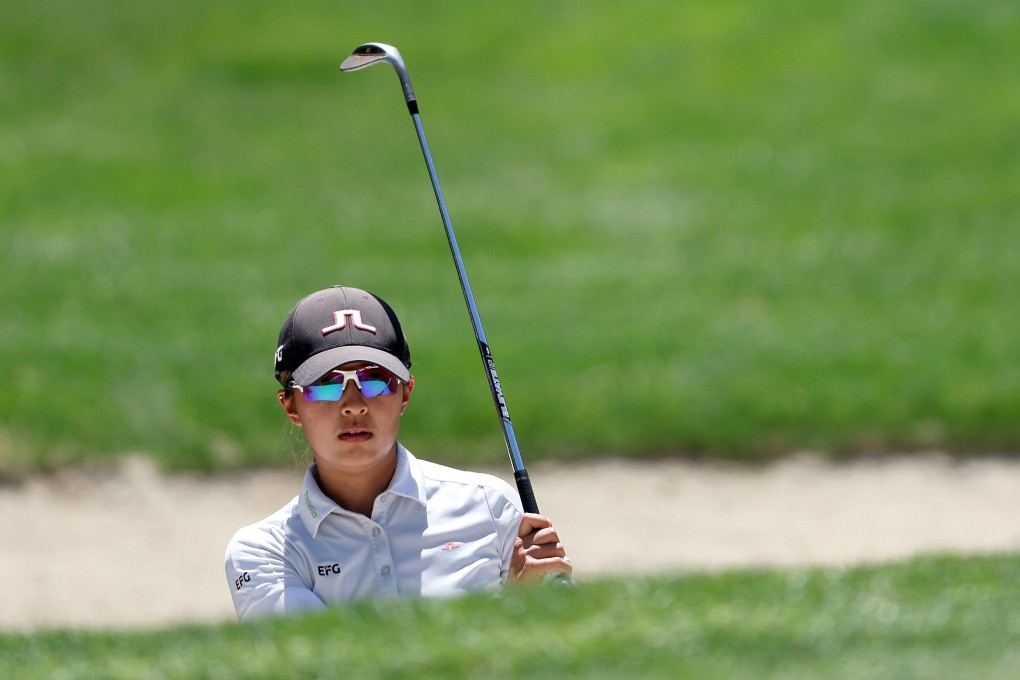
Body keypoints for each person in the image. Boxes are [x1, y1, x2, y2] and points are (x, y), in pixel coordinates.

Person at [225, 285, 571, 621]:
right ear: (291, 406)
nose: (354, 405)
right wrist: (510, 607)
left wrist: (538, 606)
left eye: (375, 379)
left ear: (405, 394)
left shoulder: (491, 507)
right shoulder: (261, 553)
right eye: (327, 385)